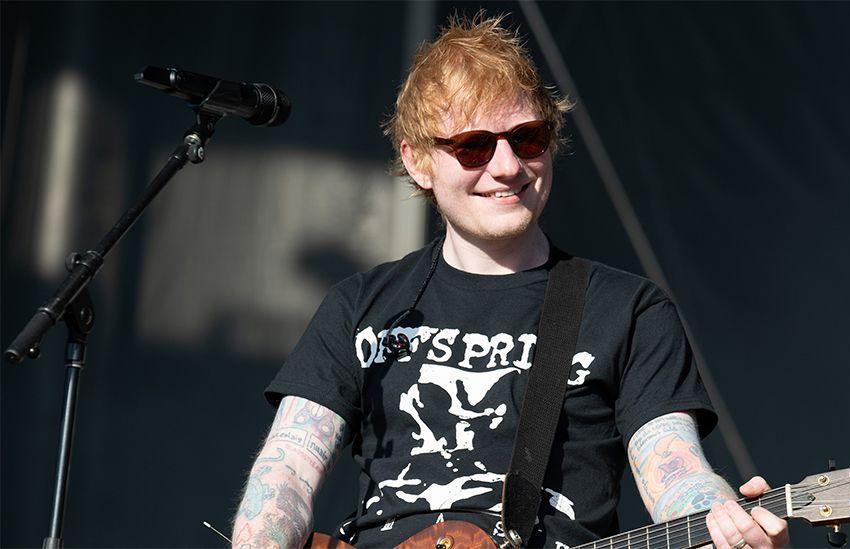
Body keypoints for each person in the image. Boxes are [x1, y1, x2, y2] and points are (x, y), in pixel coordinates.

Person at [232, 13, 789, 549]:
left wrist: (722, 524)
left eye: (526, 138)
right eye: (473, 146)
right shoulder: (360, 306)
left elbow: (677, 474)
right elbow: (286, 476)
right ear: (419, 161)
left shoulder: (629, 311)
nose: (506, 167)